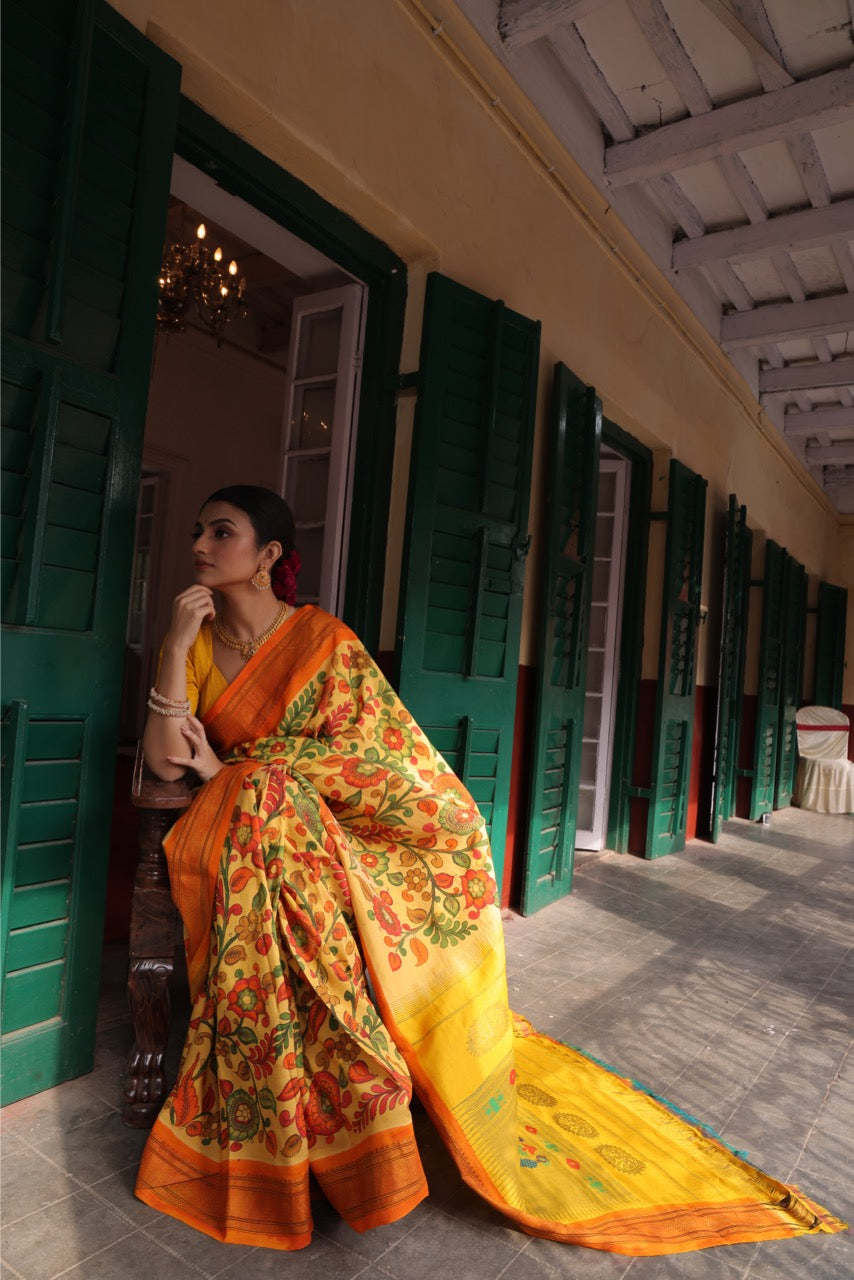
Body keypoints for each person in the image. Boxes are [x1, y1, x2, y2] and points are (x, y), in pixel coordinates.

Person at [135, 485, 843, 1254]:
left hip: (334, 826)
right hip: (262, 829)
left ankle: (356, 1092)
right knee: (271, 840)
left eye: (222, 531)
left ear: (268, 556)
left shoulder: (323, 642)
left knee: (312, 826)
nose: (201, 543)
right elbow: (167, 756)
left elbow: (376, 757)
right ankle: (328, 1105)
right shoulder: (199, 644)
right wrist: (175, 650)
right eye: (199, 529)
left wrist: (243, 768)